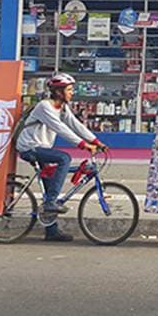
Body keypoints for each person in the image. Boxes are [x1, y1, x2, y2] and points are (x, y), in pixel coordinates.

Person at [13, 72, 107, 242]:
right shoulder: (44, 106)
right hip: (29, 148)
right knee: (64, 158)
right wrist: (83, 145)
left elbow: (75, 125)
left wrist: (96, 141)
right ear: (58, 92)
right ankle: (50, 203)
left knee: (51, 182)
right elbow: (61, 129)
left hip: (41, 148)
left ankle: (51, 231)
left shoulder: (62, 107)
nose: (72, 93)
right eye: (69, 90)